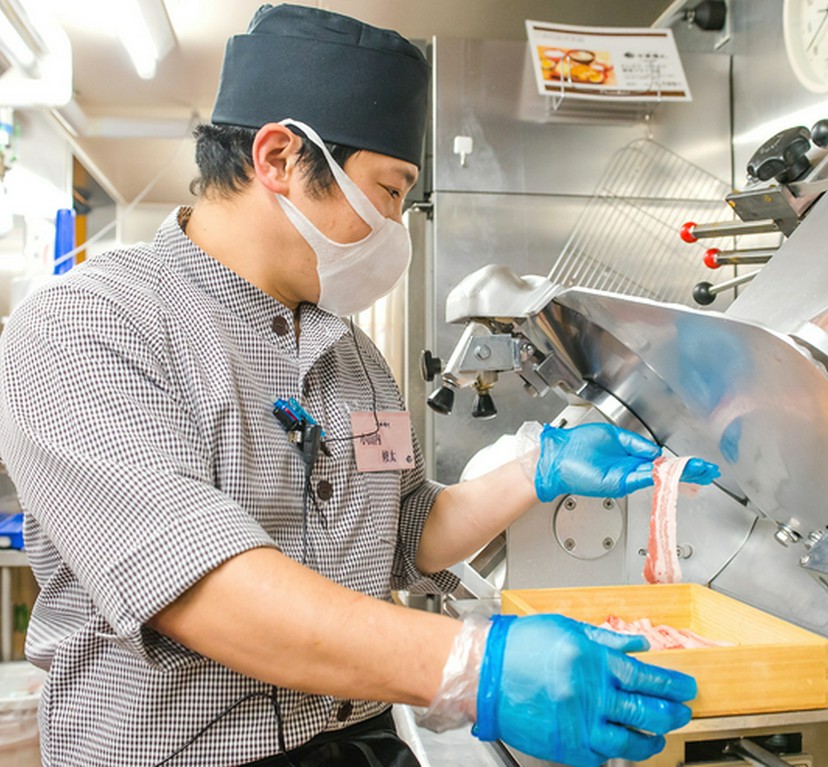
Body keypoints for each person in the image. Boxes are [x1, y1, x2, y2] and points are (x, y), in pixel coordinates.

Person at [0, 5, 720, 767]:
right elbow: (202, 589)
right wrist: (478, 668)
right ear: (277, 157)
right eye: (387, 191)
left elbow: (405, 531)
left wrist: (534, 470)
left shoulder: (357, 361)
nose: (396, 228)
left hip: (361, 743)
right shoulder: (88, 326)